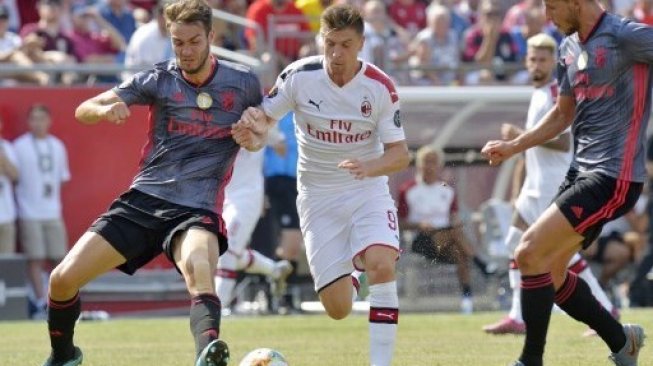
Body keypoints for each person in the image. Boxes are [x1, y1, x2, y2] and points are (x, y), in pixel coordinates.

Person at [41, 1, 263, 365]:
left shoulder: (244, 83)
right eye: (178, 43)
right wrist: (104, 110)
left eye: (194, 41)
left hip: (198, 206)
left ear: (211, 36)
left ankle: (207, 355)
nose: (186, 51)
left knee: (198, 268)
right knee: (61, 281)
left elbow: (261, 133)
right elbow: (84, 109)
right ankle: (64, 356)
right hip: (144, 199)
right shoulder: (158, 79)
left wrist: (254, 135)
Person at [234, 5, 410, 365]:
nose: (336, 54)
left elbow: (401, 155)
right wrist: (251, 135)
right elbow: (265, 123)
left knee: (382, 263)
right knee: (338, 308)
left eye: (346, 44)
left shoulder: (380, 88)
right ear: (320, 40)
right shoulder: (299, 76)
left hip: (367, 189)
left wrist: (370, 166)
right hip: (316, 196)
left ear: (361, 43)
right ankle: (352, 273)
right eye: (330, 43)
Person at [481, 1, 652, 365]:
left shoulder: (625, 36)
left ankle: (530, 360)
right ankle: (622, 342)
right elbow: (562, 114)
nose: (548, 16)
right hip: (579, 173)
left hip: (613, 176)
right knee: (552, 271)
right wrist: (514, 146)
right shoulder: (568, 47)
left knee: (528, 253)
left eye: (554, 6)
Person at [482, 33, 617, 336]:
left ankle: (606, 309)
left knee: (564, 255)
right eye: (532, 59)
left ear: (552, 61)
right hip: (536, 185)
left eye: (543, 59)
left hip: (554, 184)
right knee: (514, 243)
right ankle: (518, 316)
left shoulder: (557, 91)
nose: (536, 65)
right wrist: (520, 186)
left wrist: (517, 135)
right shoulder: (539, 91)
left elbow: (563, 141)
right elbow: (531, 153)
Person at [398, 145, 490, 314]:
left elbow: (453, 218)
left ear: (439, 165)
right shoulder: (408, 190)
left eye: (433, 162)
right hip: (421, 240)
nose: (429, 166)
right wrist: (419, 225)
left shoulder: (447, 190)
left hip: (446, 239)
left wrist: (458, 223)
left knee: (460, 254)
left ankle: (467, 300)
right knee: (455, 235)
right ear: (419, 164)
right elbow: (400, 222)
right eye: (426, 161)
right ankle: (481, 264)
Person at [215, 146, 294, 313]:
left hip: (246, 198)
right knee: (216, 251)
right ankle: (274, 270)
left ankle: (215, 311)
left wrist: (260, 134)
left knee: (227, 250)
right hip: (222, 196)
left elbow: (281, 147)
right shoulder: (216, 122)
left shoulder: (257, 120)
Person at [13, 104, 71, 319]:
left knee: (60, 259)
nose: (38, 123)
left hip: (53, 211)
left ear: (49, 121)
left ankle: (58, 302)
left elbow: (62, 180)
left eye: (42, 119)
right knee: (35, 259)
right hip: (29, 212)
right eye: (34, 119)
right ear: (28, 122)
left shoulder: (57, 146)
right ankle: (40, 303)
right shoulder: (19, 146)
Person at [0, 115, 19, 254]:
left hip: (6, 215)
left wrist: (3, 158)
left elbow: (15, 176)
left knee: (6, 260)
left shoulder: (7, 147)